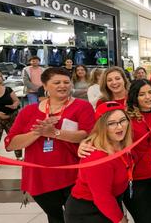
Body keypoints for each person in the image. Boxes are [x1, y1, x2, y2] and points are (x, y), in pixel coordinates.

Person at [81, 79, 151, 222]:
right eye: (142, 94)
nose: (148, 97)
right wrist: (86, 143)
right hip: (138, 178)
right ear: (135, 97)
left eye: (150, 92)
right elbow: (102, 133)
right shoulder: (125, 117)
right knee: (145, 218)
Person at [6, 67, 95, 223]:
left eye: (66, 82)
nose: (63, 85)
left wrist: (54, 133)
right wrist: (38, 132)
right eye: (57, 82)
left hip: (73, 175)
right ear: (45, 86)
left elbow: (86, 135)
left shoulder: (82, 107)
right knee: (55, 217)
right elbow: (11, 144)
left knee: (77, 217)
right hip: (40, 177)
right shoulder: (28, 112)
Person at [64, 101, 132, 223]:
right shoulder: (98, 157)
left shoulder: (121, 143)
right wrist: (120, 220)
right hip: (88, 211)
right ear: (101, 126)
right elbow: (102, 197)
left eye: (123, 120)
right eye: (111, 123)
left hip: (110, 202)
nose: (120, 126)